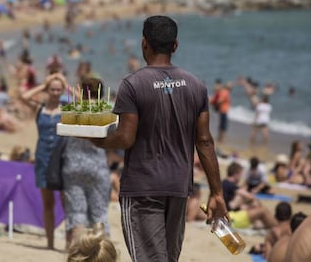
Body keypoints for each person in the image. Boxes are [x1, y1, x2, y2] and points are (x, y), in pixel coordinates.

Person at [90, 15, 228, 261]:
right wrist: (217, 192)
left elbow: (124, 138)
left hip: (143, 187)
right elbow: (205, 141)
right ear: (175, 45)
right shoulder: (196, 86)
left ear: (144, 43)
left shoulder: (133, 85)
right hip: (178, 188)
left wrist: (96, 139)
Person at [60, 78, 111, 247]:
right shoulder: (107, 110)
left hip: (73, 165)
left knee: (77, 212)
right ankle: (102, 253)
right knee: (100, 214)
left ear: (82, 91)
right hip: (97, 165)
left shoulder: (71, 109)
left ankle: (76, 252)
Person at [21, 73, 67, 250]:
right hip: (42, 157)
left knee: (65, 202)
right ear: (48, 90)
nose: (55, 93)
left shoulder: (66, 108)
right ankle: (50, 243)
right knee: (48, 203)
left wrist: (65, 84)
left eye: (58, 90)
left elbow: (84, 102)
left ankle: (69, 243)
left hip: (61, 158)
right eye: (52, 89)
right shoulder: (39, 108)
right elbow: (24, 97)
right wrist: (44, 83)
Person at [222, 162, 277, 230]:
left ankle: (261, 224)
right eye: (240, 174)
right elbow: (250, 196)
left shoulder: (225, 183)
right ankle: (278, 228)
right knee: (263, 210)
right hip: (230, 217)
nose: (241, 177)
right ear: (236, 173)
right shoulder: (229, 185)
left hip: (230, 215)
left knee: (254, 206)